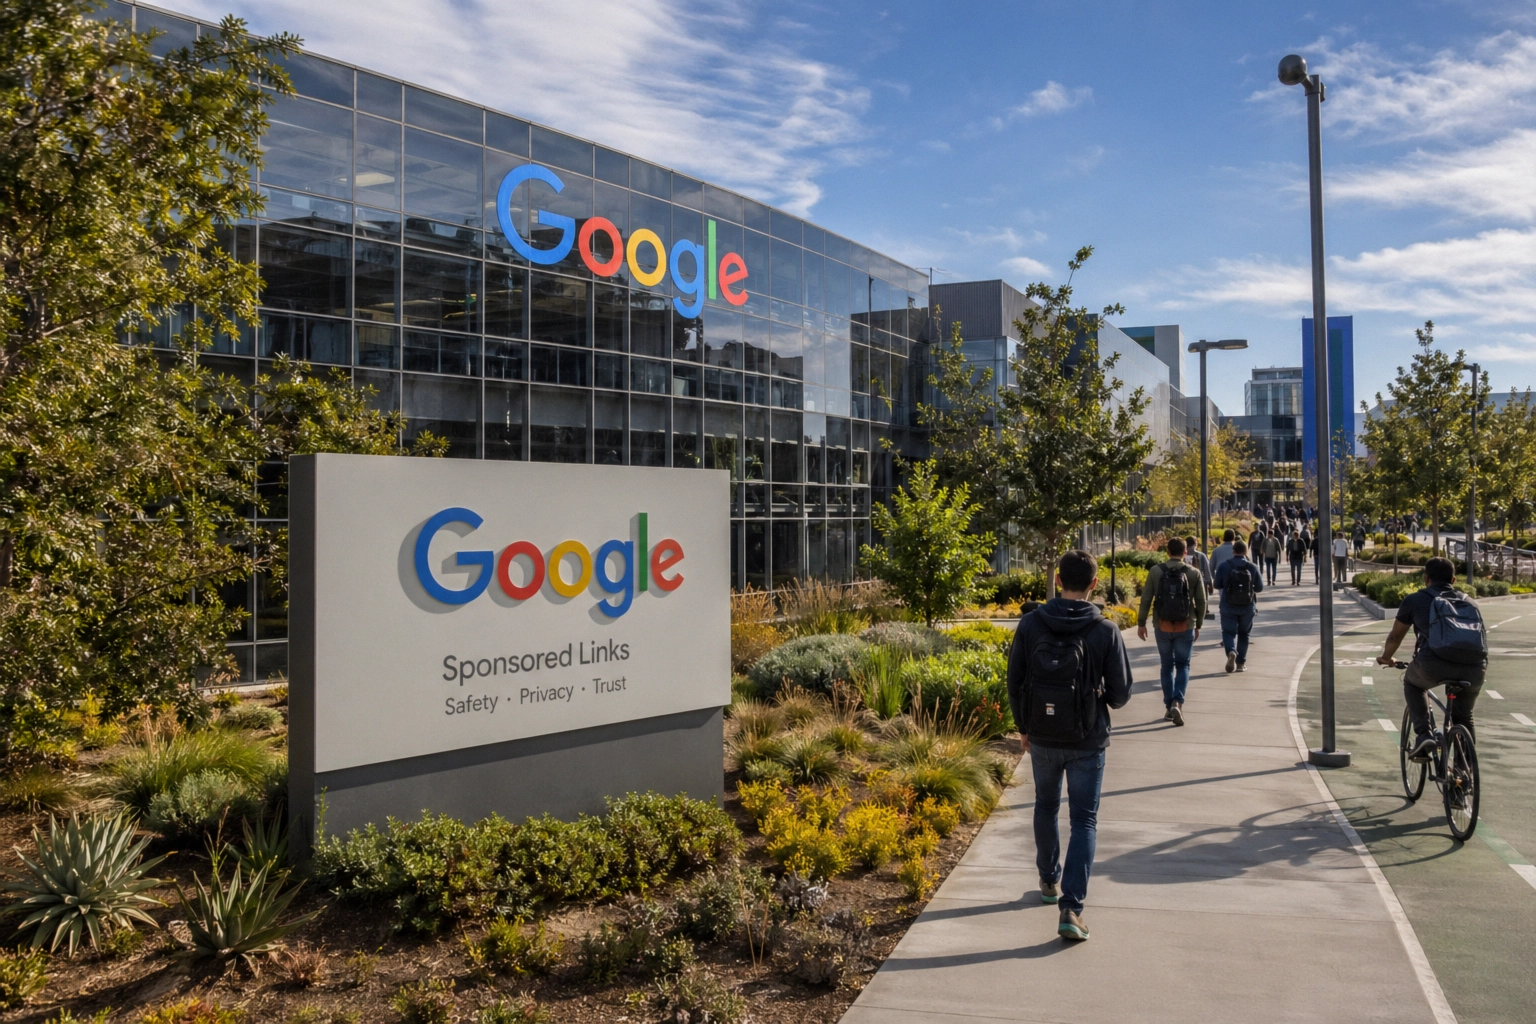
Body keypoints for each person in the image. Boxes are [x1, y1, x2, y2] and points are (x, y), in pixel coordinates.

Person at [1008, 550, 1133, 943]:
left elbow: (1015, 681)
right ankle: (1071, 909)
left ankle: (1048, 880)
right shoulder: (1105, 630)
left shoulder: (1030, 624)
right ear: (1094, 584)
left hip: (1042, 737)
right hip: (1087, 740)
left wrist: (1024, 728)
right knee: (1084, 820)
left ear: (1058, 579)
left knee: (1045, 805)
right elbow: (1120, 695)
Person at [1375, 557, 1486, 761]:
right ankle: (1463, 778)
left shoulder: (1415, 600)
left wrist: (1386, 658)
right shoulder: (1470, 602)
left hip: (1432, 665)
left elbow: (1395, 636)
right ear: (1453, 580)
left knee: (1412, 683)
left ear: (1426, 578)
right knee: (1463, 717)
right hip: (1475, 668)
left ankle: (1424, 735)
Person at [1137, 537, 1206, 726]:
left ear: (1167, 552)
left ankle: (1168, 706)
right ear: (1185, 552)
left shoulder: (1156, 571)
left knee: (1166, 665)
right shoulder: (1193, 573)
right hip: (1186, 625)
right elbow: (1201, 601)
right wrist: (1198, 623)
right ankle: (1178, 701)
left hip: (1162, 625)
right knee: (1183, 665)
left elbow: (1146, 599)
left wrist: (1141, 623)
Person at [1214, 540, 1264, 672]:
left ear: (1233, 551)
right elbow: (1259, 588)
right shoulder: (1252, 567)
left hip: (1228, 605)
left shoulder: (1224, 566)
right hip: (1247, 607)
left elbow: (1217, 585)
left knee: (1228, 632)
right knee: (1244, 634)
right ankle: (1241, 663)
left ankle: (1231, 651)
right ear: (1246, 551)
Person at [1184, 535, 1214, 618]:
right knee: (1202, 597)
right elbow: (1207, 571)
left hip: (1185, 581)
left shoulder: (1183, 556)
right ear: (1195, 544)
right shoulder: (1201, 556)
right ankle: (1204, 610)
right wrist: (1210, 583)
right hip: (1200, 581)